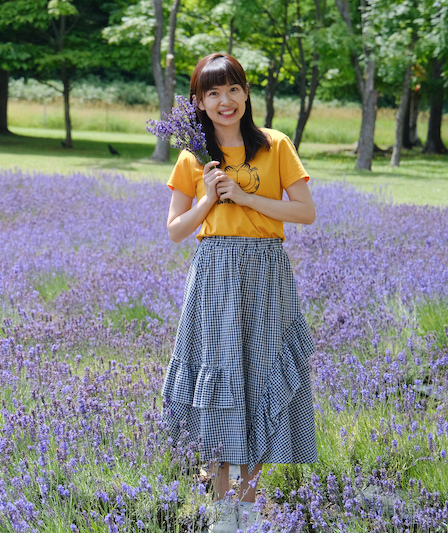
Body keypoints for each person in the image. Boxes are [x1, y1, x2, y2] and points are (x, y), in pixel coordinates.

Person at [160, 52, 318, 533]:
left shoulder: (275, 145)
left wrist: (246, 197)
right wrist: (209, 197)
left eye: (233, 90)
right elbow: (175, 230)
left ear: (246, 94)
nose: (225, 101)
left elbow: (305, 212)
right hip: (215, 274)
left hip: (266, 273)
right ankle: (224, 511)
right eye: (213, 93)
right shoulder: (192, 157)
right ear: (199, 103)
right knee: (221, 381)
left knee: (263, 376)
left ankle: (247, 509)